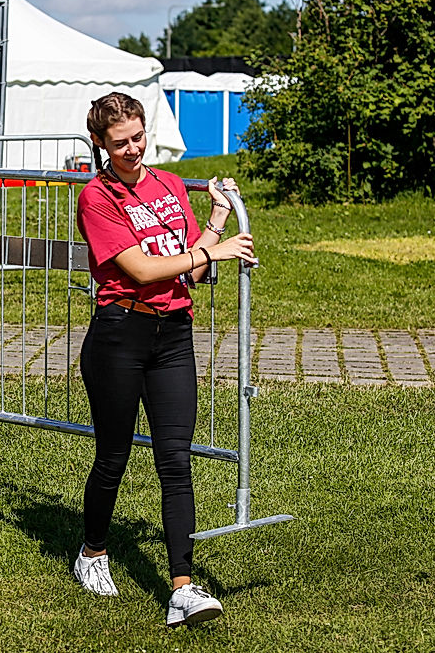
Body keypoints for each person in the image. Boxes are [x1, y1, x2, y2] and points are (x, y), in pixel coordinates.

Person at [72, 92, 255, 627]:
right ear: (101, 144)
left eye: (138, 136)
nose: (132, 148)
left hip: (173, 335)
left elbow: (187, 272)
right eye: (120, 142)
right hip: (118, 334)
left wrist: (215, 220)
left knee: (175, 461)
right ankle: (93, 551)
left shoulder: (171, 186)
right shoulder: (97, 197)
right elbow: (143, 270)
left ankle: (183, 588)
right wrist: (210, 252)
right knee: (114, 456)